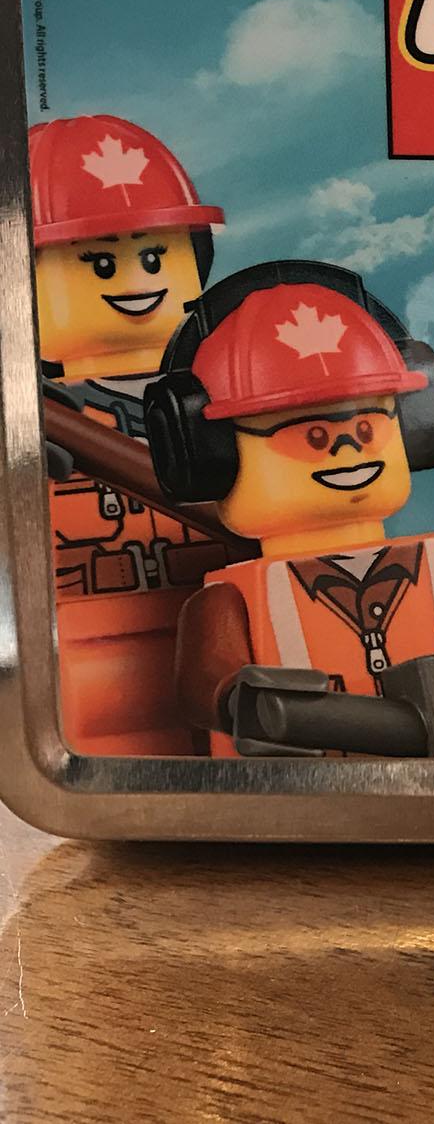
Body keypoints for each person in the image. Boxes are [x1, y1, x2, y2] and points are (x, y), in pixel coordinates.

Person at [146, 262, 434, 756]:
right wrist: (245, 701)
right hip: (307, 792)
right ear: (209, 455)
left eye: (367, 429)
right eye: (313, 436)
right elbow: (207, 683)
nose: (348, 450)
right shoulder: (228, 603)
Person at [31, 114, 226, 754]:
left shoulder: (235, 391)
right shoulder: (36, 414)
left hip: (235, 629)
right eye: (98, 262)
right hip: (85, 638)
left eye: (153, 255)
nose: (139, 280)